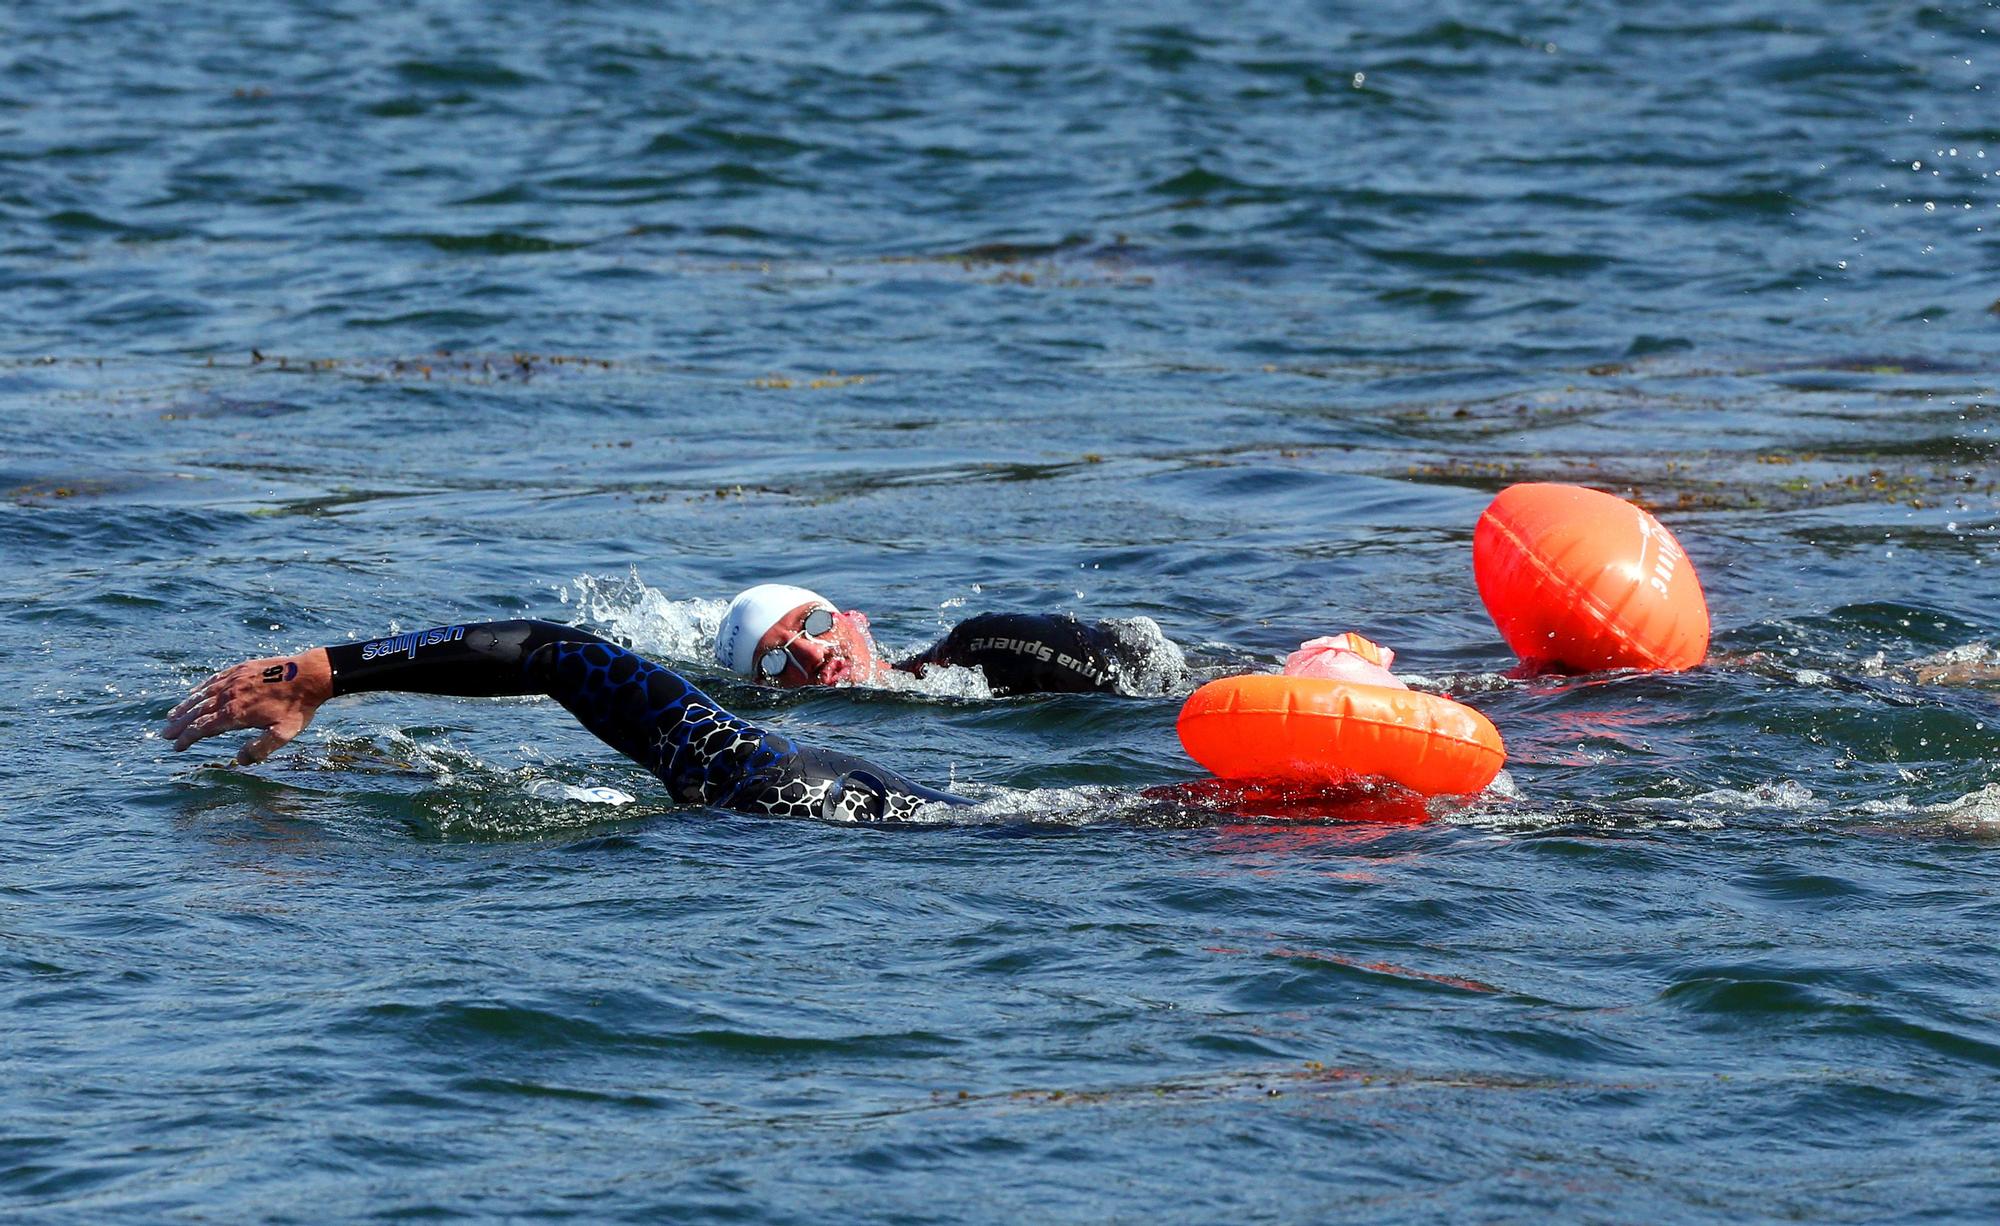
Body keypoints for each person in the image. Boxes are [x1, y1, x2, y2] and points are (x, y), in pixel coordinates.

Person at [164, 619, 969, 821]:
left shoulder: (768, 779)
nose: (808, 655)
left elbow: (554, 653)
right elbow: (557, 656)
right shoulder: (772, 781)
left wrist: (326, 673)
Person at [713, 583, 1185, 696]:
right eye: (775, 663)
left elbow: (1156, 692)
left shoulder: (983, 646)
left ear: (855, 620)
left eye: (814, 624)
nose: (812, 654)